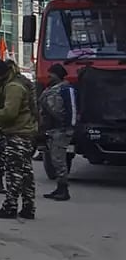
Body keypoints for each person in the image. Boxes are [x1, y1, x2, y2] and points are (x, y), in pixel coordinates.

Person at [0, 60, 39, 220]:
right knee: (26, 172)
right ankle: (28, 207)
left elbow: (10, 112)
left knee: (14, 172)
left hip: (17, 133)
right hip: (26, 133)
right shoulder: (19, 82)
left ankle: (10, 206)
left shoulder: (13, 87)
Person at [39, 64, 77, 201]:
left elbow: (71, 109)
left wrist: (69, 128)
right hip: (52, 130)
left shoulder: (67, 89)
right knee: (55, 160)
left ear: (57, 75)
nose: (48, 77)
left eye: (51, 75)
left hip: (61, 130)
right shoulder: (50, 89)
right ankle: (59, 188)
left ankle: (63, 189)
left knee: (59, 161)